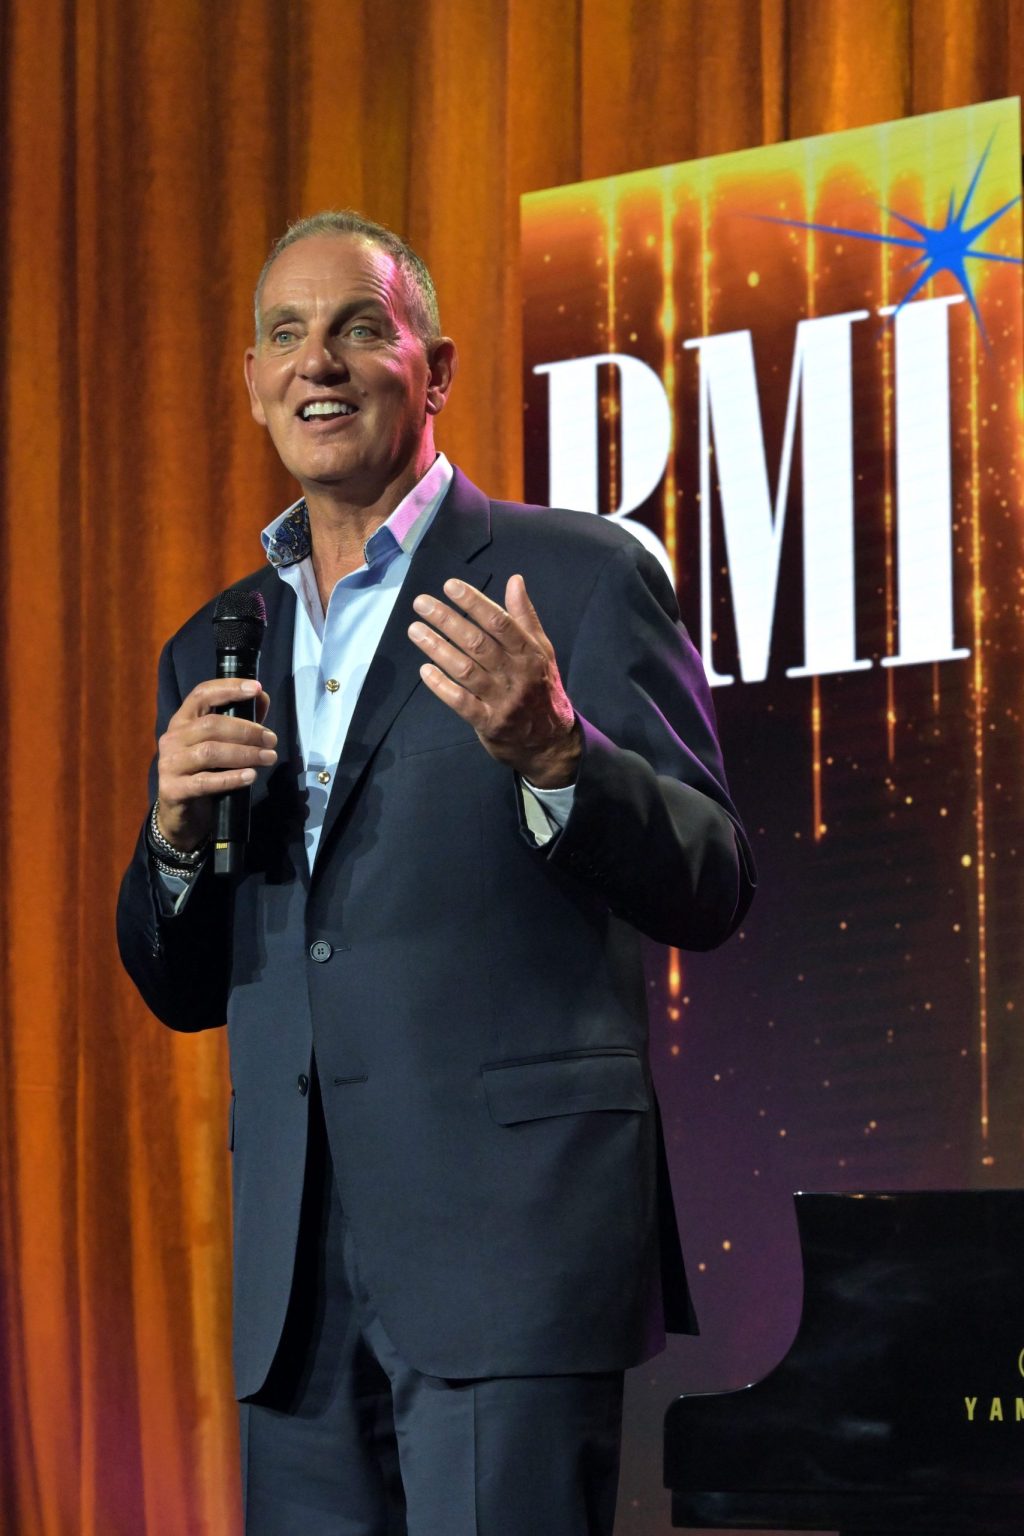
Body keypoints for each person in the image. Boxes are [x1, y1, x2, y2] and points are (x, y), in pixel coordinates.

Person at [117, 209, 755, 1536]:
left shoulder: (574, 580)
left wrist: (557, 753)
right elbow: (183, 987)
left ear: (437, 369)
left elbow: (715, 875)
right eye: (286, 336)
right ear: (251, 384)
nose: (320, 365)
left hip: (510, 1248)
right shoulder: (217, 642)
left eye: (359, 327)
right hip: (299, 1288)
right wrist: (174, 842)